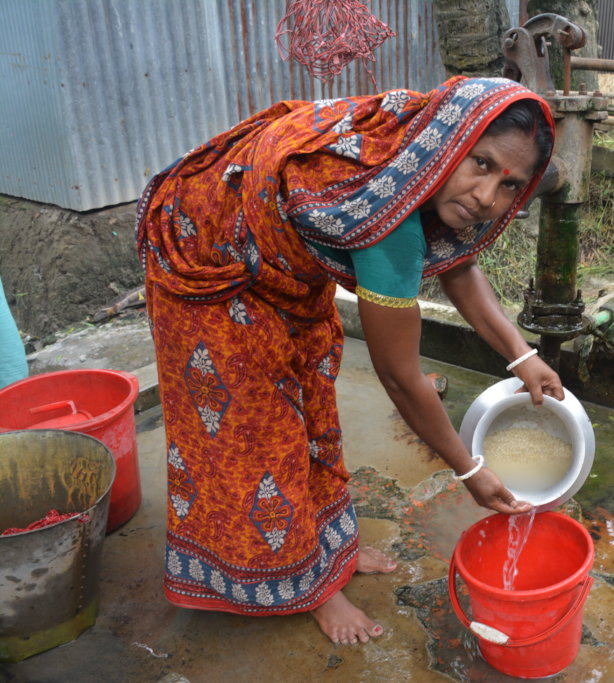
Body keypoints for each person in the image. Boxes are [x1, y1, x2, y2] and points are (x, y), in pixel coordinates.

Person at [134, 76, 564, 646]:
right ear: (446, 143)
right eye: (480, 164)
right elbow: (400, 376)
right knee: (258, 431)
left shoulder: (421, 152)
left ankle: (325, 545)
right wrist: (467, 469)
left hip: (279, 253)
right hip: (208, 254)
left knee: (313, 385)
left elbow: (458, 267)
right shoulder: (387, 221)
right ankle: (309, 585)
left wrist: (521, 356)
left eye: (509, 185)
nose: (487, 196)